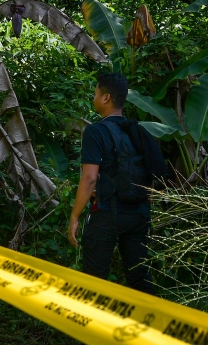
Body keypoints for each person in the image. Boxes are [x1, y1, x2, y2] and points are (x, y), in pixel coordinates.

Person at [68, 72, 167, 293]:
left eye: (95, 94)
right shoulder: (136, 130)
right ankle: (149, 324)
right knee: (139, 277)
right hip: (139, 213)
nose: (94, 98)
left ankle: (91, 325)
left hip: (108, 213)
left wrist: (75, 217)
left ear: (106, 98)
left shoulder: (96, 131)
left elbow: (90, 177)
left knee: (94, 280)